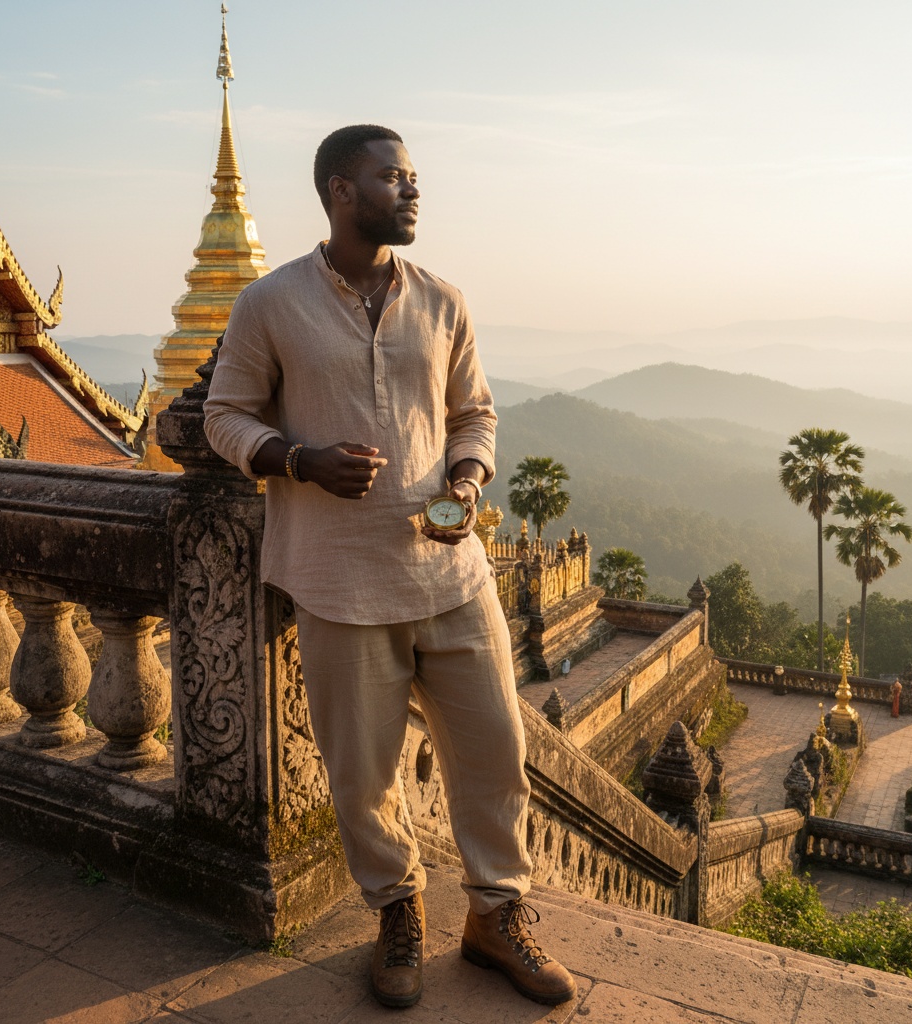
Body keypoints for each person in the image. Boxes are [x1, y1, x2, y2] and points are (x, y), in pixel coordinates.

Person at [203, 124, 575, 1009]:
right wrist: (298, 461)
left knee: (495, 753)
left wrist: (467, 479)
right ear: (340, 190)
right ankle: (398, 912)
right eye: (392, 177)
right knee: (364, 777)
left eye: (413, 178)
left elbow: (474, 413)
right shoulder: (269, 303)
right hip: (338, 579)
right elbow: (224, 415)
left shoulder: (443, 300)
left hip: (453, 576)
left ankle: (496, 915)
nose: (412, 192)